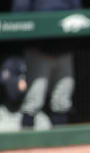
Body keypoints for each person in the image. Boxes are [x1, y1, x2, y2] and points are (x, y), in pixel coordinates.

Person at [12, 0, 80, 128]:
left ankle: (61, 142)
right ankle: (26, 142)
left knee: (63, 98)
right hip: (39, 49)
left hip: (64, 47)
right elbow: (19, 13)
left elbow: (78, 10)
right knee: (34, 98)